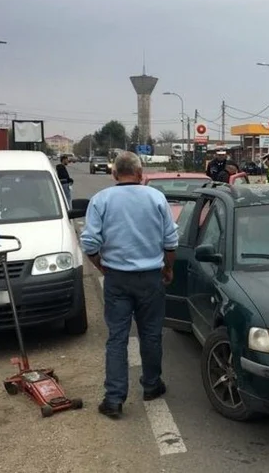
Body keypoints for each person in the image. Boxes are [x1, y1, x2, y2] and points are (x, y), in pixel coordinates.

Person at [79, 151, 179, 419]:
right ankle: (151, 385)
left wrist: (101, 265)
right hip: (150, 278)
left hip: (117, 279)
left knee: (117, 338)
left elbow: (89, 243)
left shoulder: (101, 200)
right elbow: (171, 241)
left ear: (114, 174)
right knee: (151, 334)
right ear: (140, 173)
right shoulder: (156, 197)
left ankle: (113, 399)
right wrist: (168, 268)